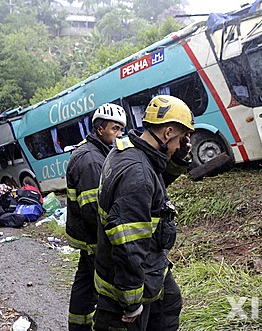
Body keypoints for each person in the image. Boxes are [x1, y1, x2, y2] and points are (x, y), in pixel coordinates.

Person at [93, 95, 195, 330]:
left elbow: (153, 188)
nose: (181, 144)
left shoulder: (131, 150)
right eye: (181, 138)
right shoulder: (137, 173)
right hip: (130, 278)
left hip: (150, 265)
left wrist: (177, 158)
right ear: (168, 133)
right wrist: (131, 302)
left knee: (170, 303)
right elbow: (129, 245)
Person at [65, 103, 127, 330]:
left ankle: (78, 325)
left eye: (121, 129)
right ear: (100, 130)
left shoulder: (96, 151)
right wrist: (111, 237)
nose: (119, 134)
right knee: (106, 287)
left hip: (86, 235)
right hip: (93, 238)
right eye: (115, 129)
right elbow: (93, 210)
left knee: (84, 284)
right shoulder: (91, 160)